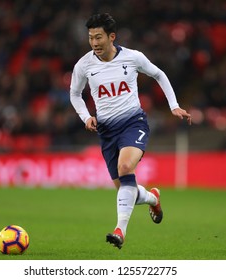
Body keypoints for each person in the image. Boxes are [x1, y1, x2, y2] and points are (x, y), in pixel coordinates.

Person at [70, 13, 192, 249]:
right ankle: (153, 198)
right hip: (106, 131)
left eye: (98, 37)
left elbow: (159, 74)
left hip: (133, 123)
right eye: (90, 38)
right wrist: (86, 117)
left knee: (126, 168)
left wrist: (173, 106)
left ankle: (120, 231)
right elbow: (74, 94)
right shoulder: (84, 65)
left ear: (111, 37)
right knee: (128, 190)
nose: (94, 43)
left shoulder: (133, 58)